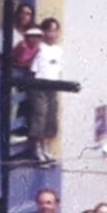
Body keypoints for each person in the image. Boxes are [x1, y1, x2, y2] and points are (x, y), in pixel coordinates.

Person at [28, 18, 64, 165]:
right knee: (40, 115)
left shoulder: (59, 50)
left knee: (51, 116)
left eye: (55, 30)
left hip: (53, 86)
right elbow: (32, 68)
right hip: (39, 85)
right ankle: (37, 149)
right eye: (49, 30)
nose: (52, 34)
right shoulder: (39, 48)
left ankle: (46, 147)